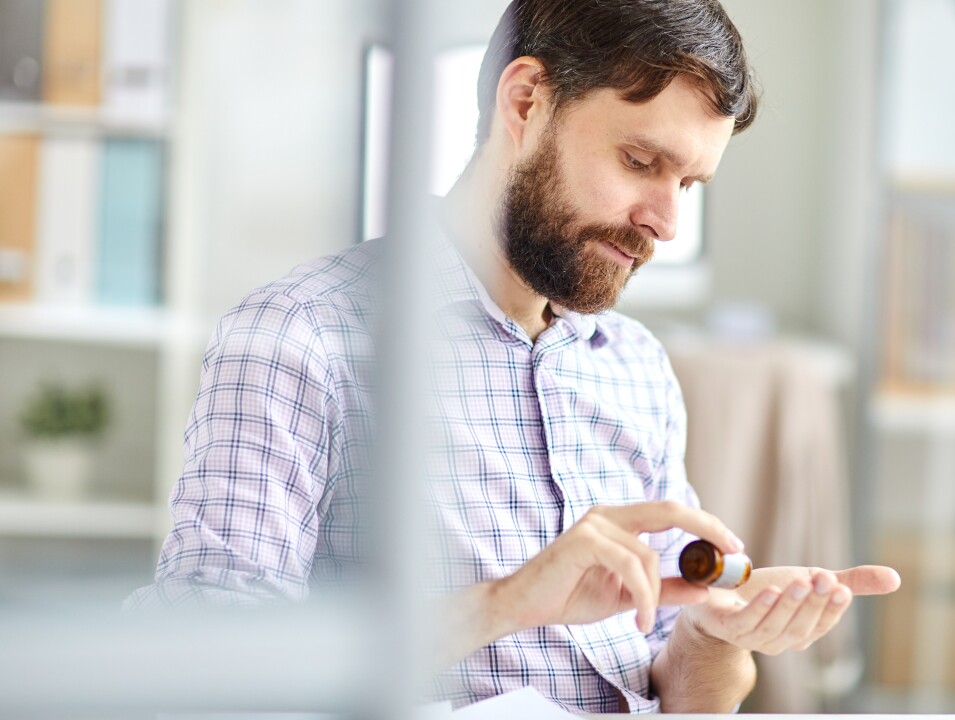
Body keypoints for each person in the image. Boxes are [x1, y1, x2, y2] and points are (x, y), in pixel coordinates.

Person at [127, 0, 901, 714]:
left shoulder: (633, 367)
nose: (664, 222)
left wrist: (723, 634)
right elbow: (210, 658)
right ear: (526, 101)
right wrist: (508, 602)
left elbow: (684, 681)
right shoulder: (304, 337)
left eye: (689, 184)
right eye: (639, 161)